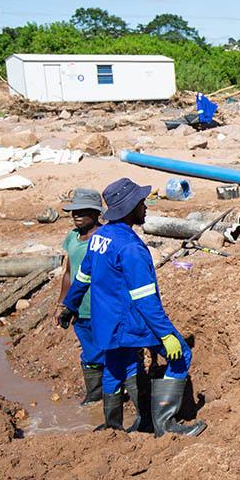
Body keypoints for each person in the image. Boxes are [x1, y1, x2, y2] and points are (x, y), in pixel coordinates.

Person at [60, 178, 206, 437]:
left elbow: (83, 276)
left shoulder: (100, 236)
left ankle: (113, 426)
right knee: (181, 355)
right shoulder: (131, 247)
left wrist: (70, 305)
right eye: (141, 203)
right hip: (131, 320)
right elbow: (145, 299)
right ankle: (166, 425)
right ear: (130, 208)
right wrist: (165, 335)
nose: (146, 207)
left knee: (116, 368)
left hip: (106, 321)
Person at [54, 188, 105, 406]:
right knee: (90, 351)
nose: (76, 215)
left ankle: (115, 393)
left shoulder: (104, 238)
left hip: (101, 306)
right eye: (74, 211)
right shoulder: (72, 238)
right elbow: (68, 272)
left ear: (96, 214)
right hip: (79, 307)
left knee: (108, 350)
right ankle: (95, 395)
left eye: (83, 211)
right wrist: (62, 303)